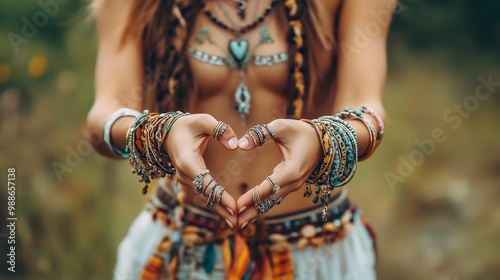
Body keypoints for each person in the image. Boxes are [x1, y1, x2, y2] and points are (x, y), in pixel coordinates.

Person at [87, 0, 394, 279]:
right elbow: (104, 114)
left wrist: (324, 140)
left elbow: (366, 106)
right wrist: (159, 135)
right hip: (182, 251)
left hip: (317, 253)